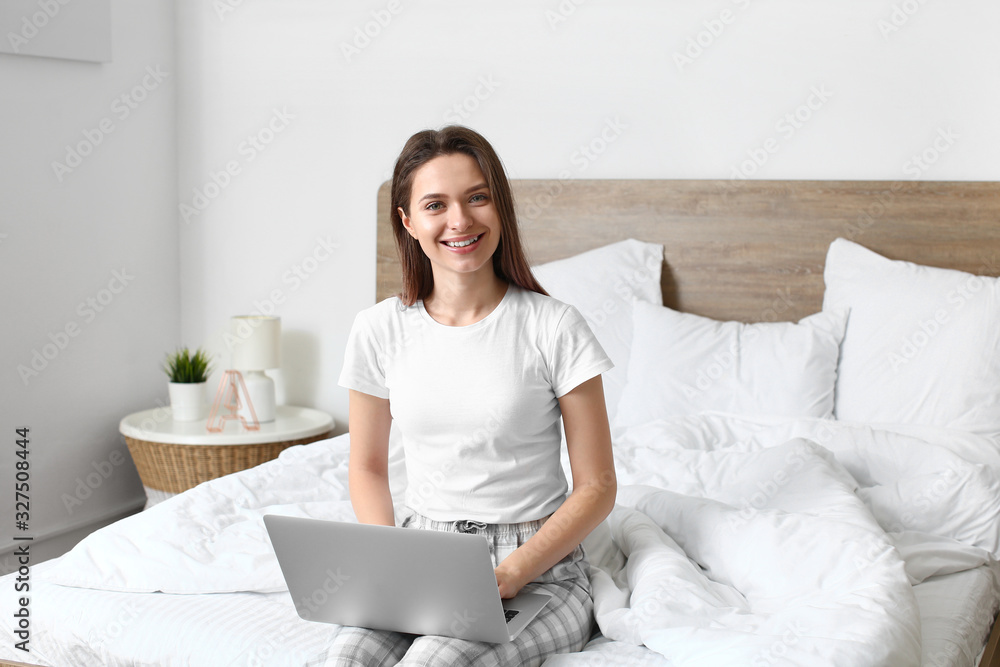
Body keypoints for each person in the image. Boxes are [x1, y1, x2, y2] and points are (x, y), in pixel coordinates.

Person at [335, 125, 617, 666]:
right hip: (423, 559)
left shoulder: (554, 326)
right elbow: (368, 467)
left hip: (541, 570)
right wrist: (390, 561)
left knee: (432, 663)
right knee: (343, 660)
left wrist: (512, 571)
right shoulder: (378, 329)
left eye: (477, 198)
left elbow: (598, 486)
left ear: (500, 207)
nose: (460, 221)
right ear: (408, 221)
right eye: (435, 204)